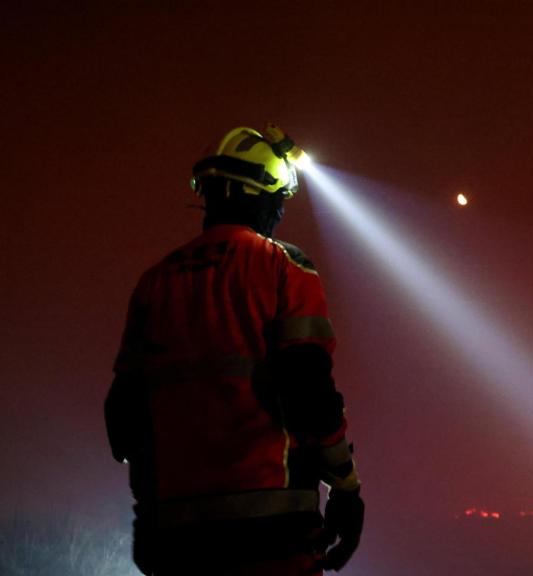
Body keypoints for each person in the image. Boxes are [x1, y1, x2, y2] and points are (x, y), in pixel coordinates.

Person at [104, 125, 364, 575]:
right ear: (259, 194)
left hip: (176, 538)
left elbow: (122, 418)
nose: (281, 212)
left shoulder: (155, 282)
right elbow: (309, 393)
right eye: (279, 199)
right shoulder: (285, 267)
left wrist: (147, 515)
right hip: (273, 534)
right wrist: (346, 485)